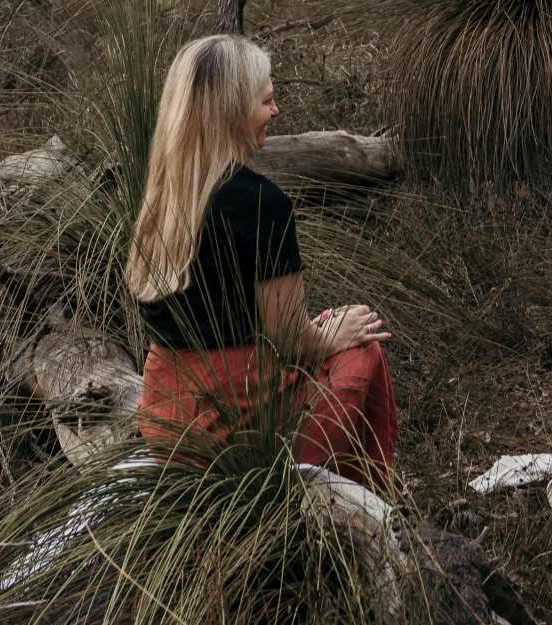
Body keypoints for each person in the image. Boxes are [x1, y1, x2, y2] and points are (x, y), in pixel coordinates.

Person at [125, 34, 397, 488]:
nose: (276, 112)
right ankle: (360, 497)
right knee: (362, 347)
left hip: (165, 420)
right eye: (267, 101)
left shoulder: (166, 197)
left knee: (334, 322)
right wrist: (336, 335)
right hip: (237, 436)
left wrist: (326, 326)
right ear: (232, 114)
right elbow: (291, 343)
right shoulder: (261, 204)